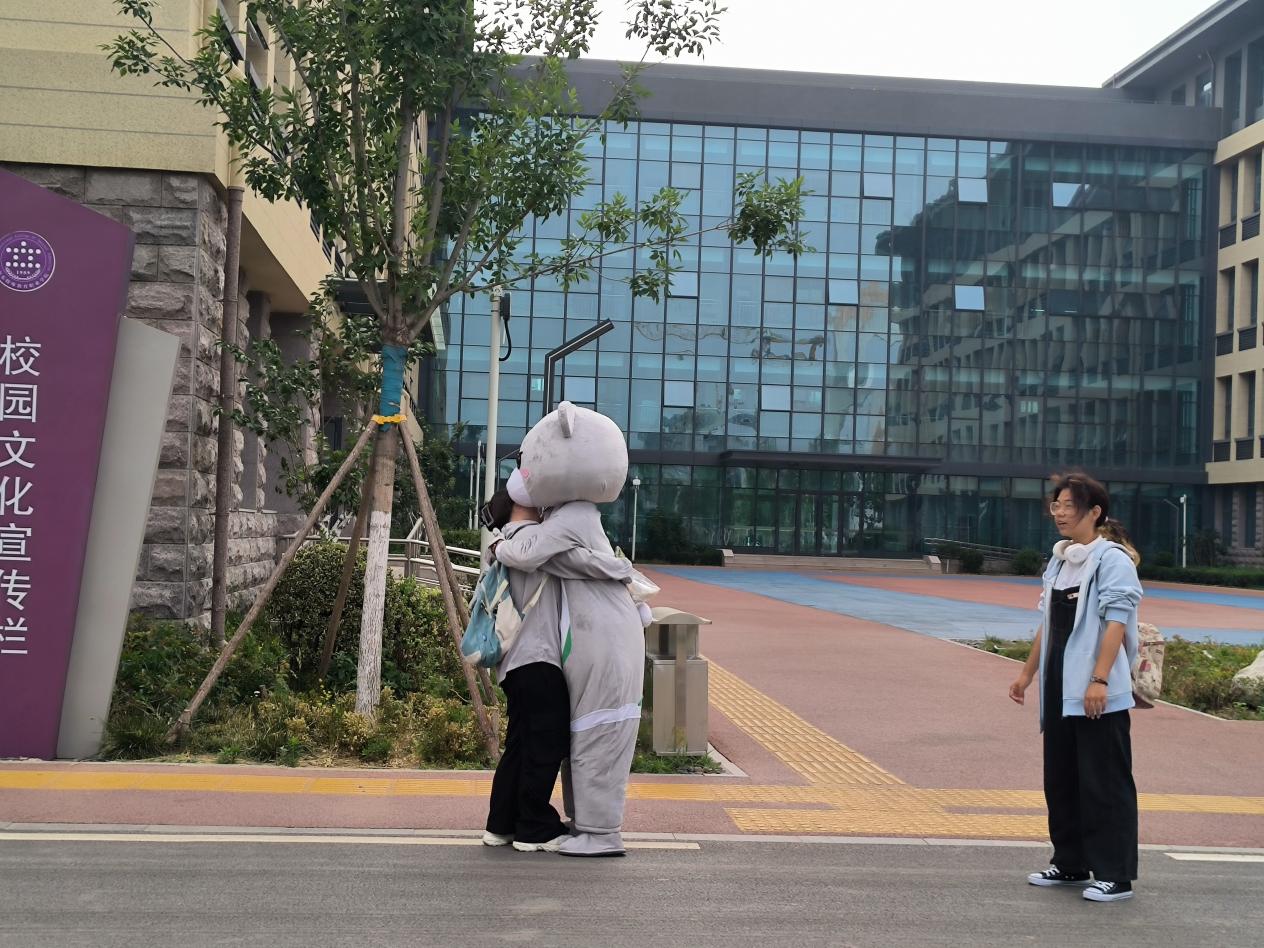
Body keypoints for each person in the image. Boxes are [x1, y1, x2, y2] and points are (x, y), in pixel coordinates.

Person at [492, 402, 647, 858]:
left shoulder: (574, 516)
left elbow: (529, 555)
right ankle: (584, 825)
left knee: (597, 729)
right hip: (587, 640)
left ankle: (599, 831)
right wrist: (619, 569)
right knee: (582, 731)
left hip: (602, 640)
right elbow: (568, 560)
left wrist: (499, 543)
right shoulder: (568, 519)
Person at [1009, 471, 1144, 903]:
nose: (1060, 513)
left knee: (1105, 781)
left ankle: (1115, 875)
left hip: (1096, 689)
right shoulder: (1061, 560)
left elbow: (1116, 622)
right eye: (1057, 505)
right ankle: (1070, 863)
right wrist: (1027, 674)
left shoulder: (1112, 560)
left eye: (1069, 505)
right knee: (1062, 777)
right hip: (1059, 687)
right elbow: (1047, 623)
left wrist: (1099, 679)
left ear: (1094, 511)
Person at [479, 486, 635, 853]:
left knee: (520, 743)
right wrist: (623, 568)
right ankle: (533, 828)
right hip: (539, 658)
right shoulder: (532, 543)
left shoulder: (504, 544)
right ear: (524, 504)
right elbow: (584, 563)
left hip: (513, 664)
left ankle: (501, 825)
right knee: (546, 744)